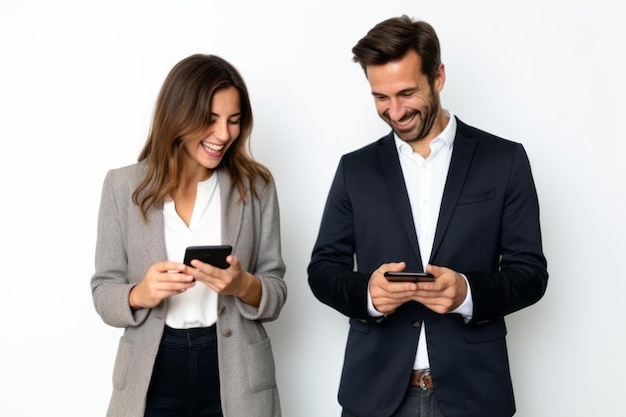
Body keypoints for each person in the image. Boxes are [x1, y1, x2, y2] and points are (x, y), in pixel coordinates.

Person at [307, 15, 548, 417]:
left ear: (438, 76)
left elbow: (531, 274)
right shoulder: (356, 169)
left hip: (474, 396)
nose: (395, 111)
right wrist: (368, 293)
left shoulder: (504, 161)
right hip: (374, 395)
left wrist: (467, 293)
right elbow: (322, 269)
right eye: (380, 97)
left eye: (406, 93)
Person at [91, 54, 287, 417]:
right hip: (153, 370)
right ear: (177, 116)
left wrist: (242, 284)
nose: (224, 134)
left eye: (233, 120)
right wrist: (140, 293)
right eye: (209, 120)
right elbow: (103, 292)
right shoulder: (122, 186)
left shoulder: (256, 187)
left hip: (235, 367)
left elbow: (276, 290)